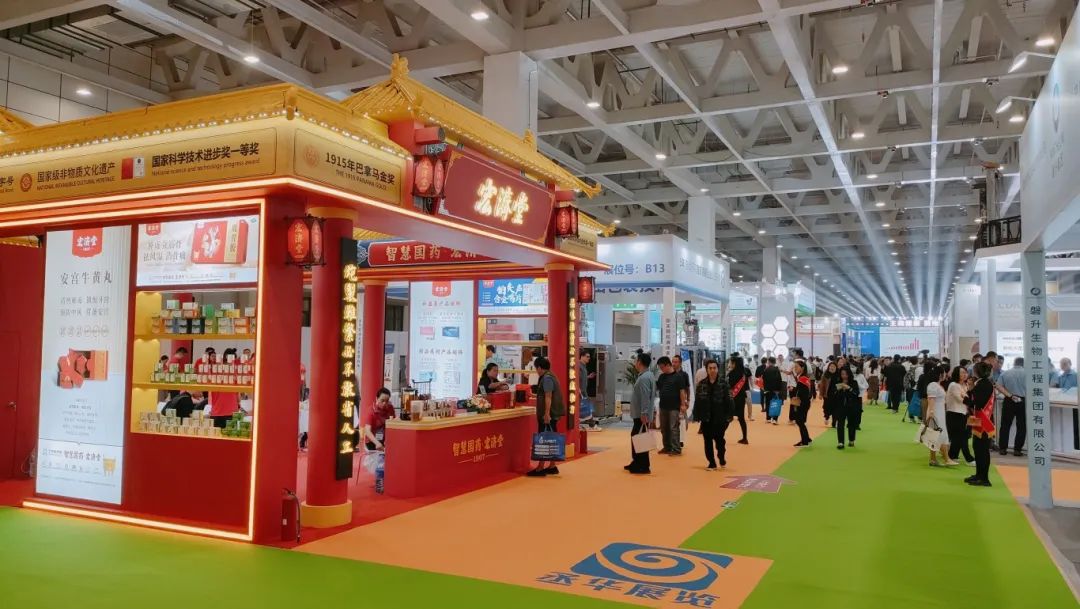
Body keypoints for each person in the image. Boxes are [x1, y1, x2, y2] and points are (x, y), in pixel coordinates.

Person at [694, 359, 734, 470]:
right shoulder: (701, 384)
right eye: (710, 368)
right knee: (707, 441)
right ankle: (711, 462)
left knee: (720, 441)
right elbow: (698, 400)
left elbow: (730, 399)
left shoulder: (724, 383)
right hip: (706, 418)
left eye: (714, 368)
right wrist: (696, 415)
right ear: (707, 370)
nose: (712, 370)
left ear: (717, 369)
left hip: (720, 418)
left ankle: (721, 457)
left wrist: (729, 415)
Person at [528, 357, 565, 477]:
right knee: (551, 439)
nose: (536, 371)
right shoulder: (551, 376)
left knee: (543, 439)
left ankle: (540, 467)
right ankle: (552, 466)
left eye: (536, 368)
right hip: (552, 413)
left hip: (549, 414)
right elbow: (546, 395)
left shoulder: (547, 378)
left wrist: (547, 413)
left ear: (539, 367)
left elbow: (548, 396)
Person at [966, 361, 996, 487]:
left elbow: (977, 403)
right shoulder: (984, 383)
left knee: (982, 450)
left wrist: (966, 399)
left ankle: (984, 478)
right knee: (978, 449)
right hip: (981, 420)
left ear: (977, 371)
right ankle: (979, 475)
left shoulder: (983, 385)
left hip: (984, 421)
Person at [625, 353, 656, 475]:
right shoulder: (648, 375)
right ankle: (637, 462)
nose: (635, 363)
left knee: (639, 438)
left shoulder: (644, 378)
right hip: (641, 414)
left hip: (641, 415)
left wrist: (644, 413)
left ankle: (642, 465)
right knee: (639, 437)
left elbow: (645, 397)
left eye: (636, 360)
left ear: (639, 362)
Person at [924, 365, 956, 467]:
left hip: (939, 412)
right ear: (940, 374)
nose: (946, 374)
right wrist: (931, 412)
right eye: (944, 372)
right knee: (941, 434)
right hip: (936, 412)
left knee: (935, 435)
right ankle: (947, 459)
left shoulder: (937, 385)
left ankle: (933, 459)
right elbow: (931, 399)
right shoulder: (933, 385)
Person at [655, 356, 687, 456]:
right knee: (664, 428)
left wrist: (683, 405)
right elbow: (657, 388)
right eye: (660, 367)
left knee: (673, 428)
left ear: (668, 365)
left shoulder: (678, 377)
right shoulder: (662, 377)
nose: (661, 369)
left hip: (674, 407)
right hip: (663, 406)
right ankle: (667, 447)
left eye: (662, 367)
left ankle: (676, 449)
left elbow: (682, 392)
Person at [945, 366, 975, 465]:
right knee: (962, 437)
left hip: (963, 413)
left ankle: (952, 455)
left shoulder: (965, 385)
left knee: (958, 437)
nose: (964, 374)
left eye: (965, 372)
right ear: (956, 374)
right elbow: (961, 399)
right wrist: (970, 400)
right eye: (962, 372)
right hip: (954, 413)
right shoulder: (954, 385)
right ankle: (969, 458)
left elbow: (967, 398)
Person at [997, 357, 1027, 457]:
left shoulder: (1005, 373)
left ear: (1014, 363)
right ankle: (1017, 450)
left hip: (1009, 400)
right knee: (1021, 426)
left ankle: (1002, 448)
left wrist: (1009, 395)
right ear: (1023, 364)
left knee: (1005, 425)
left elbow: (998, 386)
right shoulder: (1028, 373)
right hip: (1022, 401)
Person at [829, 367, 861, 449]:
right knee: (840, 424)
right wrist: (838, 389)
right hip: (840, 406)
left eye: (846, 374)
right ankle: (840, 442)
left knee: (851, 424)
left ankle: (851, 440)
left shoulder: (854, 382)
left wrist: (849, 388)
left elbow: (856, 393)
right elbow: (832, 394)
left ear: (849, 374)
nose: (844, 376)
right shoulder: (838, 382)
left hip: (851, 406)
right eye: (842, 374)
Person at [727, 356, 750, 445]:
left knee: (728, 416)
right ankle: (745, 438)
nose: (730, 364)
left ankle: (719, 435)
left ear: (734, 363)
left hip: (733, 398)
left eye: (731, 363)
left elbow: (730, 385)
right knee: (741, 418)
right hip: (741, 398)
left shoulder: (732, 373)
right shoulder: (744, 373)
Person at [790, 360, 813, 447]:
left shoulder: (802, 379)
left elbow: (802, 392)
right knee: (801, 421)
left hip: (802, 403)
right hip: (805, 402)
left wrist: (795, 393)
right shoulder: (804, 378)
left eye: (796, 367)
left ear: (802, 368)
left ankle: (805, 441)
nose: (795, 368)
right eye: (794, 367)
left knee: (800, 421)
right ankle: (807, 439)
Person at [763, 356, 784, 424]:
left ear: (769, 362)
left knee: (768, 403)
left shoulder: (766, 370)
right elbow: (779, 380)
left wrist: (765, 388)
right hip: (775, 390)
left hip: (767, 389)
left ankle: (768, 418)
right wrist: (778, 389)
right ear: (774, 362)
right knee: (776, 403)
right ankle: (775, 419)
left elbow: (764, 380)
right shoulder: (776, 370)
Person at [819, 361, 837, 427]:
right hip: (827, 394)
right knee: (826, 407)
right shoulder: (825, 375)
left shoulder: (838, 375)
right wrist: (821, 394)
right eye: (831, 366)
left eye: (834, 367)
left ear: (836, 368)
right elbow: (822, 385)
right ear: (828, 367)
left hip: (836, 394)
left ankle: (834, 422)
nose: (832, 368)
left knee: (835, 408)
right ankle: (826, 417)